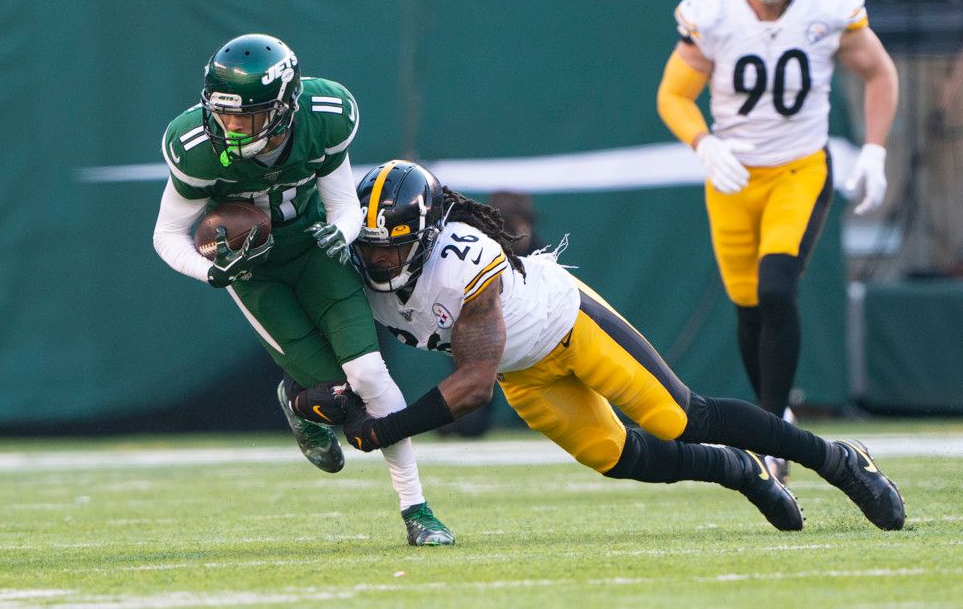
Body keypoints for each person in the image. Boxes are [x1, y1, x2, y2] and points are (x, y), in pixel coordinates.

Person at [293, 161, 905, 533]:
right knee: (615, 456)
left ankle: (839, 460)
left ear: (427, 237)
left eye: (393, 248)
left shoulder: (463, 261)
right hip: (523, 371)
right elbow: (315, 349)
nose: (379, 261)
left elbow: (473, 386)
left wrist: (387, 428)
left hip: (567, 323)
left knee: (682, 418)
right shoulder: (354, 275)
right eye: (370, 247)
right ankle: (736, 469)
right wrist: (315, 399)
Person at [152, 34, 453, 547]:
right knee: (340, 398)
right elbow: (166, 234)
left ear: (284, 108)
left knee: (369, 374)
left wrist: (343, 231)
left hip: (315, 249)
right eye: (221, 113)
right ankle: (299, 403)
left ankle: (417, 509)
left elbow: (344, 205)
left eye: (245, 117)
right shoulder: (197, 148)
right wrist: (211, 272)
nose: (228, 127)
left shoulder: (322, 117)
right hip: (255, 273)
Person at [655, 0, 898, 483]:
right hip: (733, 176)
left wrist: (876, 149)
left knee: (776, 288)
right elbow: (673, 95)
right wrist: (703, 143)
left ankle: (770, 433)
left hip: (798, 169)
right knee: (748, 307)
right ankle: (778, 414)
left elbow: (880, 73)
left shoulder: (828, 4)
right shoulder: (714, 11)